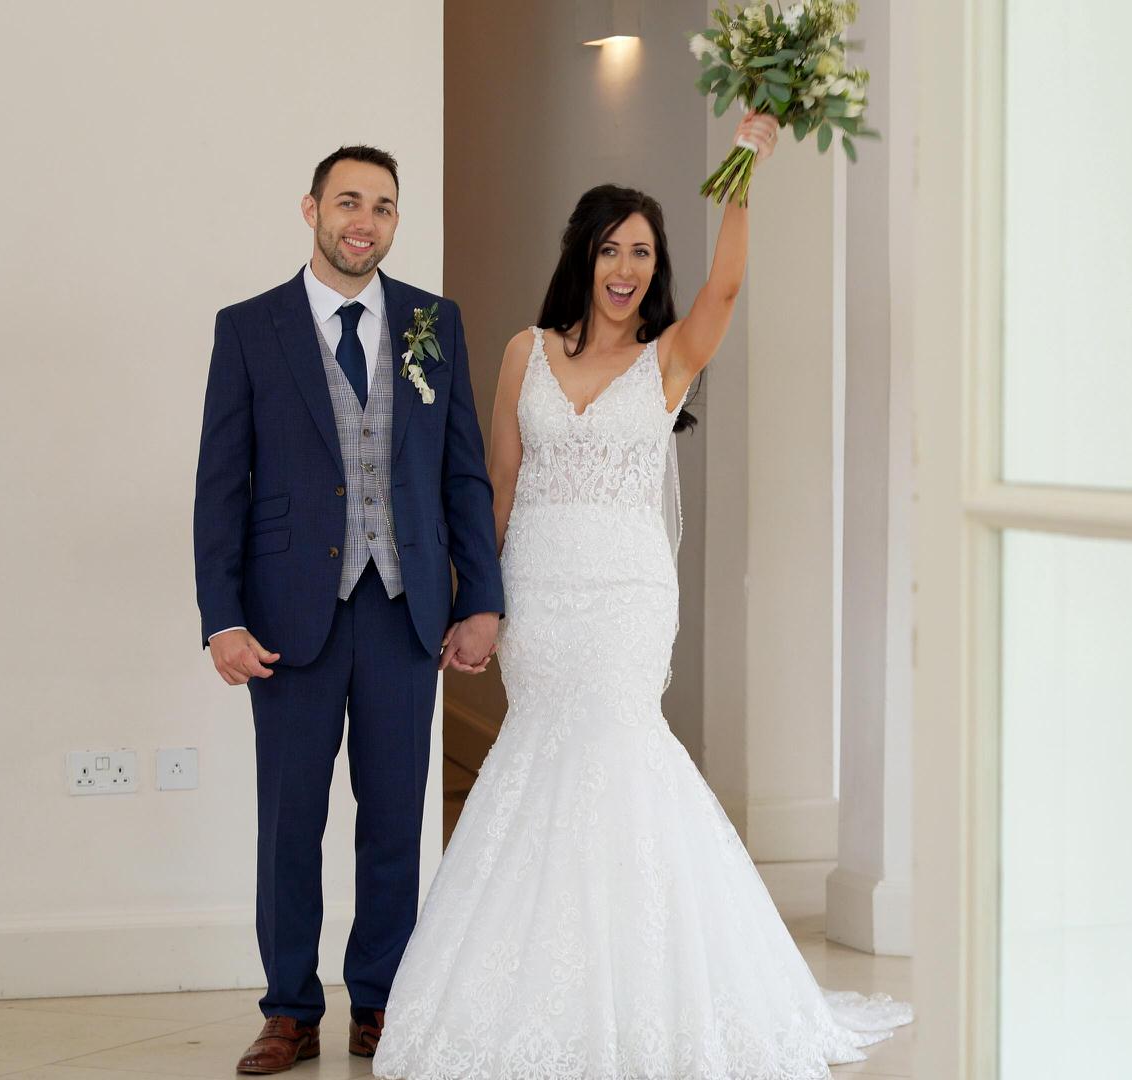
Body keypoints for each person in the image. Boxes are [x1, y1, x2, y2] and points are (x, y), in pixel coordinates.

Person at [372, 112, 911, 1080]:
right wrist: (475, 601)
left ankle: (653, 989)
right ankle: (528, 996)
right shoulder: (520, 354)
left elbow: (731, 282)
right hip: (538, 587)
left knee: (620, 753)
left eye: (643, 253)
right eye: (612, 248)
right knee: (541, 756)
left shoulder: (669, 357)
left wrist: (747, 162)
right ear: (583, 254)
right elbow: (497, 482)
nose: (626, 267)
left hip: (624, 594)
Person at [191, 144, 505, 1076]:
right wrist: (223, 617)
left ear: (396, 221)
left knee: (394, 820)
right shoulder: (251, 328)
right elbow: (221, 487)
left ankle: (379, 999)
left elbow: (461, 473)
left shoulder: (431, 324)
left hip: (406, 613)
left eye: (383, 206)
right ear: (311, 209)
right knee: (289, 822)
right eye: (348, 202)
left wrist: (480, 599)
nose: (364, 220)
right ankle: (289, 1009)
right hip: (289, 618)